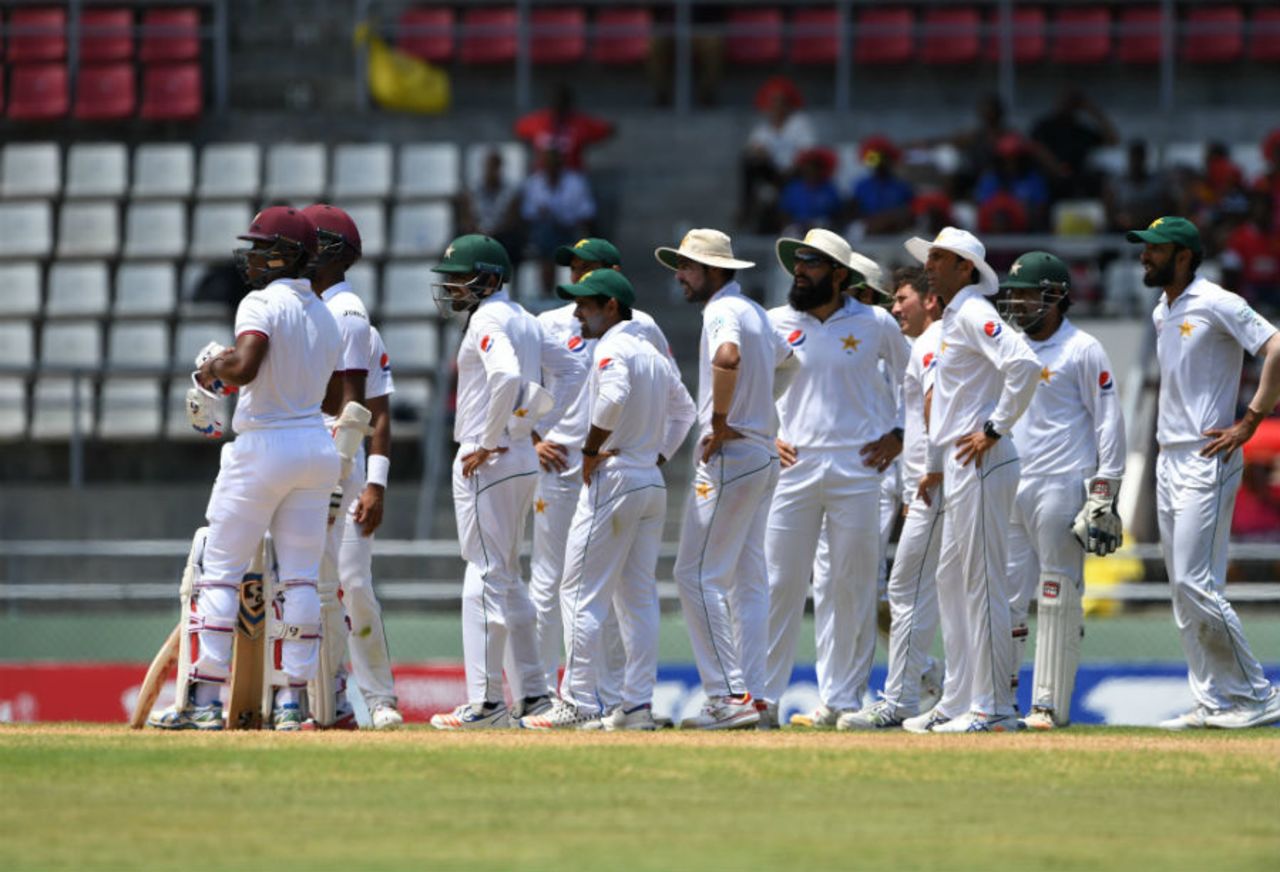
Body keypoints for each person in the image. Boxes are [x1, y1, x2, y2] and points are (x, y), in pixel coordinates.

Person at [150, 207, 341, 731]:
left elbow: (247, 367)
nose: (253, 256)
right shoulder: (325, 313)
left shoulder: (259, 301)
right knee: (299, 578)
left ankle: (206, 701)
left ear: (287, 253)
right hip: (314, 445)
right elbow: (324, 393)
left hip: (263, 445)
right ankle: (290, 704)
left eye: (262, 247)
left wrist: (213, 367)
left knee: (221, 570)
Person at [520, 270, 695, 730]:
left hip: (614, 478)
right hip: (647, 482)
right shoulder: (654, 356)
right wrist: (657, 456)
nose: (577, 314)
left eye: (586, 305)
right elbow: (686, 411)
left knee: (578, 591)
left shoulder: (613, 348)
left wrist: (592, 450)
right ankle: (635, 705)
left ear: (612, 307)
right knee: (637, 598)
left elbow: (614, 398)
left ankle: (577, 700)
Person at [1126, 216, 1280, 730]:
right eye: (1144, 249)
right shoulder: (1161, 310)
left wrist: (1250, 421)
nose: (1145, 257)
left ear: (1185, 255)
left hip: (1207, 454)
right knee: (1182, 588)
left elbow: (1275, 345)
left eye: (1155, 249)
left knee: (1197, 584)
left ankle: (1258, 694)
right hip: (1169, 457)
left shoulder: (1217, 300)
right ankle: (1214, 700)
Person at [761, 230, 908, 729]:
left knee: (851, 585)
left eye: (812, 264)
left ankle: (843, 700)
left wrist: (902, 433)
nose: (799, 271)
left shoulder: (876, 321)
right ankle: (764, 699)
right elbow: (748, 386)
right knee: (779, 583)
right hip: (792, 466)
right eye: (797, 262)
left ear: (840, 275)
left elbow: (914, 379)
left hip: (858, 466)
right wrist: (764, 435)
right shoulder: (775, 322)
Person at [902, 227, 1041, 733]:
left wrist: (994, 427)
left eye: (940, 257)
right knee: (952, 580)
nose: (930, 264)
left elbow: (1023, 364)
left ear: (965, 268)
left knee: (983, 583)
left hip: (982, 456)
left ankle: (994, 707)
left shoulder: (976, 310)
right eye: (931, 256)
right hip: (963, 459)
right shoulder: (958, 314)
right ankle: (960, 697)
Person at [657, 229, 792, 730]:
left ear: (714, 271)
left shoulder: (721, 311)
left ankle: (727, 695)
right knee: (748, 578)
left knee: (694, 575)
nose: (680, 275)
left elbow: (728, 358)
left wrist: (721, 420)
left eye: (688, 267)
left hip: (731, 454)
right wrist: (762, 417)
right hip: (758, 453)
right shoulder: (756, 310)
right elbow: (792, 361)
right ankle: (752, 695)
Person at [997, 252, 1127, 730]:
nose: (1018, 302)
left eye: (1028, 293)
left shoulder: (1083, 348)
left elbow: (1109, 422)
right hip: (1011, 482)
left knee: (1057, 592)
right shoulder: (1009, 346)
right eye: (1014, 293)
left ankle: (1048, 705)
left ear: (1054, 295)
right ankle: (997, 701)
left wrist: (1105, 490)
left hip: (1062, 482)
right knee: (1006, 597)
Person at [427, 234, 548, 729]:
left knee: (482, 573)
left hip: (489, 458)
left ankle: (486, 703)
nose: (453, 286)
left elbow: (505, 376)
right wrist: (522, 430)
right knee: (507, 577)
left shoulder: (488, 318)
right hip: (518, 456)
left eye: (462, 276)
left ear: (491, 278)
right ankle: (535, 695)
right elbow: (540, 387)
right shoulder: (525, 319)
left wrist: (487, 438)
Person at [839, 267, 947, 730]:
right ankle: (951, 689)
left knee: (906, 589)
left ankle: (905, 697)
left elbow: (933, 412)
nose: (891, 307)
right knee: (921, 591)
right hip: (926, 481)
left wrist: (931, 469)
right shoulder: (924, 343)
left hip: (938, 480)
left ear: (930, 300)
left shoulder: (930, 341)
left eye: (899, 298)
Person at [301, 204, 371, 730]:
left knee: (326, 584)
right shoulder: (321, 304)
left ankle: (333, 698)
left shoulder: (345, 311)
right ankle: (321, 696)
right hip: (319, 450)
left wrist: (341, 468)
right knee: (313, 580)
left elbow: (352, 403)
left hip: (334, 453)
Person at [333, 324, 402, 730]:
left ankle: (379, 700)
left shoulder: (358, 328)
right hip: (294, 455)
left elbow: (380, 412)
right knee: (294, 587)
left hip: (349, 470)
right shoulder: (285, 315)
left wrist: (376, 483)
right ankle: (310, 696)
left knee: (355, 584)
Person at [739, 76, 815, 232]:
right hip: (773, 172)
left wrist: (791, 166)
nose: (776, 106)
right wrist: (760, 153)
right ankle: (747, 207)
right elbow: (753, 150)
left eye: (780, 102)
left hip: (794, 172)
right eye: (773, 102)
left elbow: (808, 151)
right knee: (749, 162)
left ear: (788, 104)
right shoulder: (762, 130)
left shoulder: (799, 124)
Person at [521, 148, 596, 298]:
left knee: (549, 239)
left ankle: (548, 291)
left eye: (555, 163)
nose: (551, 166)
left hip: (569, 230)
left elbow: (587, 212)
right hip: (543, 230)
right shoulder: (533, 183)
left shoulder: (576, 182)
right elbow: (527, 213)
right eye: (548, 163)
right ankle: (547, 292)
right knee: (546, 234)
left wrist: (565, 218)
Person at [1030, 87, 1118, 200]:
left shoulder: (1081, 131)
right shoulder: (1044, 126)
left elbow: (1113, 140)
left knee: (1105, 184)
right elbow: (1036, 147)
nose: (1067, 105)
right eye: (1065, 101)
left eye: (1072, 102)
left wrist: (1094, 112)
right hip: (1050, 180)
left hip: (1076, 180)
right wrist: (1058, 169)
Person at [513, 83, 614, 172]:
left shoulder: (580, 123)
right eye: (555, 102)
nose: (558, 107)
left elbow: (608, 129)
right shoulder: (537, 122)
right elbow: (517, 129)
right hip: (543, 176)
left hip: (571, 175)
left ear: (568, 105)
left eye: (561, 103)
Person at [456, 148, 523, 268]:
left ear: (500, 167)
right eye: (488, 166)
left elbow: (511, 221)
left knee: (512, 244)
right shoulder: (472, 189)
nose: (491, 170)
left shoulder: (511, 190)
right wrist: (477, 230)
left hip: (501, 235)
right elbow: (467, 217)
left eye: (494, 166)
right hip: (477, 233)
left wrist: (492, 233)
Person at [849, 135, 915, 236]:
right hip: (869, 235)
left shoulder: (902, 186)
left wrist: (890, 219)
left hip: (896, 235)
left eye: (883, 158)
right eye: (874, 158)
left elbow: (910, 212)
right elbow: (854, 214)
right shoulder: (861, 186)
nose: (879, 163)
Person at [778, 147, 842, 235]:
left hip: (822, 227)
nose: (811, 170)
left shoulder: (829, 189)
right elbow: (784, 213)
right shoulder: (793, 188)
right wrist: (799, 225)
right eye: (808, 166)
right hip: (797, 226)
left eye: (816, 167)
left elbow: (837, 214)